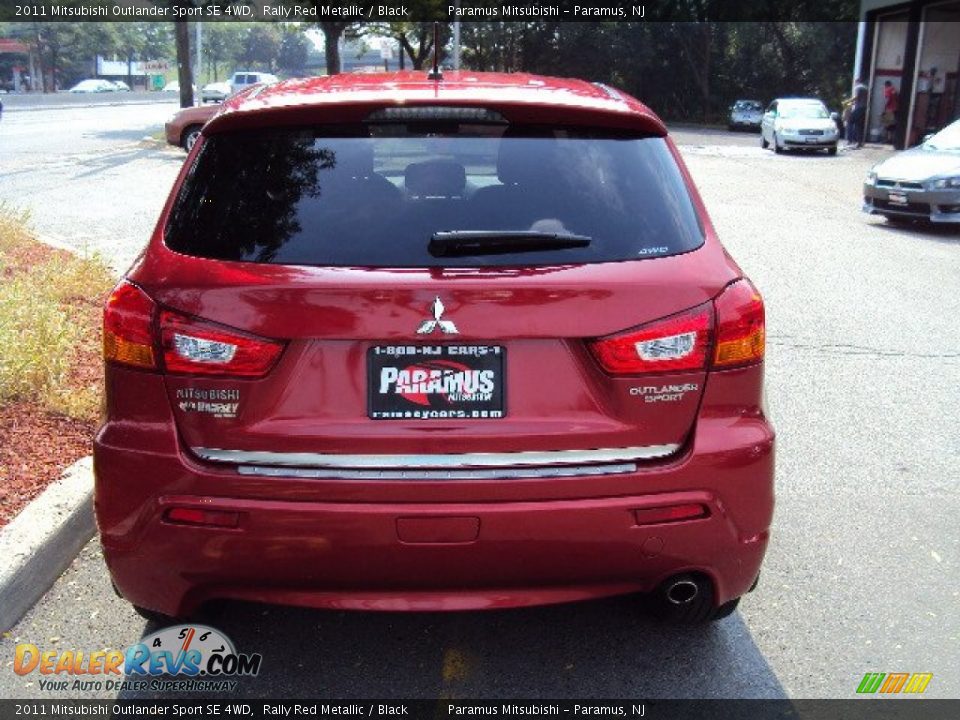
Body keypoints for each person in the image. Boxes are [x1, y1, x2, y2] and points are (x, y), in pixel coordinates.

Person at [846, 77, 869, 148]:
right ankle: (859, 142)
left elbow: (856, 97)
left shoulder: (858, 87)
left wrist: (847, 101)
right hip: (864, 108)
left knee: (849, 121)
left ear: (857, 82)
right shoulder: (866, 88)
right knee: (859, 125)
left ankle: (850, 140)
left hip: (859, 108)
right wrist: (852, 104)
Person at [882, 80, 899, 144]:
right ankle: (892, 139)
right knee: (893, 126)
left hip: (889, 109)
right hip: (896, 109)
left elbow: (887, 99)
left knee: (887, 125)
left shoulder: (887, 90)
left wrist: (884, 107)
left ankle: (888, 140)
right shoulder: (894, 90)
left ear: (886, 85)